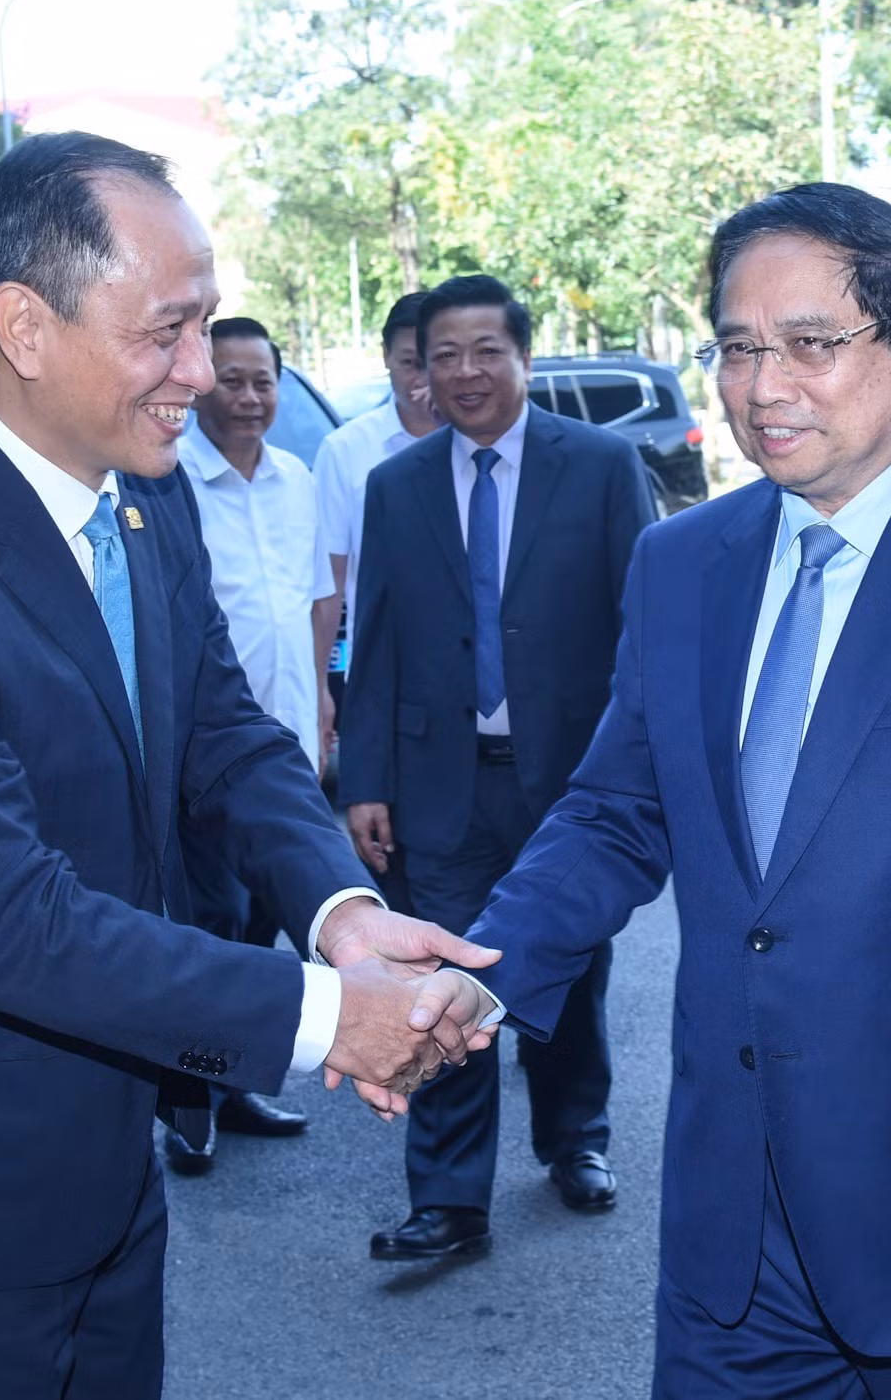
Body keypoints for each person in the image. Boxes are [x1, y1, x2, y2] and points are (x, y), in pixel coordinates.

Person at [405, 187, 891, 1397]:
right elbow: (617, 809)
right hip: (734, 1244)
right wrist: (480, 971)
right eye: (737, 347)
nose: (763, 387)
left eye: (811, 343)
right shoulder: (680, 563)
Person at [0, 132, 497, 1400]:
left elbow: (227, 733)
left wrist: (344, 915)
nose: (200, 372)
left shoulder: (146, 499)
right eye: (165, 332)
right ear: (26, 325)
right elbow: (6, 920)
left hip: (112, 1156)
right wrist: (334, 1017)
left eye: (205, 324)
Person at [339, 274, 653, 1259]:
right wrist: (365, 779)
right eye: (445, 355)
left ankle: (575, 1138)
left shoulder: (601, 466)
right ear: (420, 371)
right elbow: (374, 639)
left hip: (568, 781)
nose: (465, 371)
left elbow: (642, 630)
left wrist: (639, 765)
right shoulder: (395, 485)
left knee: (567, 969)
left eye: (486, 350)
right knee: (437, 973)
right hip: (439, 779)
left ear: (524, 355)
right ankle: (448, 1200)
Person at [167, 315, 337, 1171]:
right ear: (201, 382)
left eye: (262, 381)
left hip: (288, 743)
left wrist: (322, 705)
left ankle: (230, 1084)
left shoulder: (297, 478)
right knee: (211, 930)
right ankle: (187, 1101)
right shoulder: (168, 481)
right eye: (229, 379)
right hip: (204, 758)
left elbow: (316, 601)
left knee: (263, 927)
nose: (247, 397)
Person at [311, 290, 444, 765]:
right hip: (385, 679)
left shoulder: (483, 446)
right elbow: (329, 583)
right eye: (410, 363)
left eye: (435, 361)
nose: (422, 379)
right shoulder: (346, 451)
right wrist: (319, 688)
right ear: (385, 356)